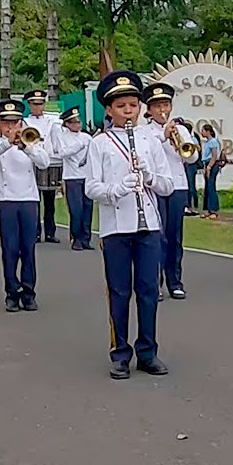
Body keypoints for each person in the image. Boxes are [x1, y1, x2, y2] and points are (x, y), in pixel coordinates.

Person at [85, 71, 175, 380]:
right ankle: (120, 353)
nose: (128, 111)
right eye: (121, 106)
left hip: (147, 224)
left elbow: (167, 184)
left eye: (133, 105)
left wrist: (148, 176)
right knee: (119, 291)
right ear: (109, 110)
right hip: (116, 228)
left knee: (149, 290)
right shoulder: (100, 143)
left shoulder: (151, 141)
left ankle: (148, 352)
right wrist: (117, 189)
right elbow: (91, 187)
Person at [0, 99, 52, 312]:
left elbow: (44, 163)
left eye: (15, 122)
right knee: (10, 249)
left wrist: (26, 147)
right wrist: (7, 142)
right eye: (6, 123)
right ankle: (11, 292)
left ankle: (29, 292)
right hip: (7, 199)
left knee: (28, 248)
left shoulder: (31, 141)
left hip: (29, 199)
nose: (11, 127)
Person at [142, 82, 199, 300]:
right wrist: (164, 136)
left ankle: (175, 281)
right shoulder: (145, 132)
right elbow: (146, 152)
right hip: (156, 187)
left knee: (175, 236)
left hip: (178, 186)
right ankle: (155, 283)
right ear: (149, 109)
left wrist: (181, 140)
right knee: (158, 237)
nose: (162, 110)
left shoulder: (181, 129)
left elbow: (192, 157)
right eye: (157, 106)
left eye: (165, 104)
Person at [23, 90, 62, 244]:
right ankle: (36, 232)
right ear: (30, 105)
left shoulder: (51, 121)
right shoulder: (25, 121)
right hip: (32, 162)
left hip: (49, 160)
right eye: (34, 104)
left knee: (50, 201)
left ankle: (50, 233)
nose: (37, 107)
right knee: (35, 201)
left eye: (40, 104)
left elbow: (56, 141)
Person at [54, 108, 94, 251]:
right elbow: (63, 153)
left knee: (88, 208)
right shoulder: (62, 137)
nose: (78, 124)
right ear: (68, 124)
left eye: (79, 121)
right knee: (76, 209)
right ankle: (76, 238)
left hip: (87, 176)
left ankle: (86, 238)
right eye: (75, 122)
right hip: (72, 177)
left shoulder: (86, 137)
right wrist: (79, 145)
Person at [199, 124, 222, 219]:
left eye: (203, 130)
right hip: (207, 164)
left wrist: (209, 167)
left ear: (208, 131)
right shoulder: (207, 142)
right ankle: (208, 209)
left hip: (212, 164)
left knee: (211, 186)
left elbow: (214, 156)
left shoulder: (213, 141)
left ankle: (214, 210)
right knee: (207, 187)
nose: (202, 132)